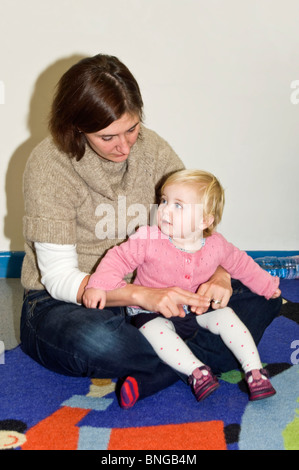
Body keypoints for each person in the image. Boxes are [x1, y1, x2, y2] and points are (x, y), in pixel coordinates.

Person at [20, 54, 282, 406]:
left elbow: (195, 225)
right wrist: (139, 296)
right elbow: (58, 278)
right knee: (93, 339)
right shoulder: (49, 164)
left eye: (132, 128)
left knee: (261, 298)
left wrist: (218, 275)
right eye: (108, 136)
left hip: (162, 289)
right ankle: (194, 362)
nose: (125, 146)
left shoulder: (153, 149)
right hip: (71, 300)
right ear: (76, 128)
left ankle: (165, 367)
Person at [83, 169, 280, 406]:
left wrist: (268, 286)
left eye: (178, 205)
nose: (165, 209)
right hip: (151, 312)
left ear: (205, 221)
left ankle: (255, 372)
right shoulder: (149, 238)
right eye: (164, 201)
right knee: (155, 331)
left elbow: (242, 264)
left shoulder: (216, 244)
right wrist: (97, 284)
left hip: (196, 308)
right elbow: (117, 258)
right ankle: (196, 371)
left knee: (228, 315)